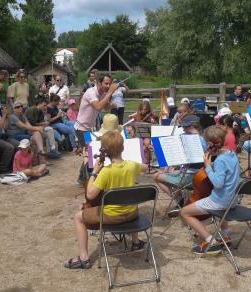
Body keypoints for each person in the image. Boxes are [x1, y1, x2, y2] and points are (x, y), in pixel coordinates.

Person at [64, 131, 148, 269]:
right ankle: (135, 242)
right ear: (123, 148)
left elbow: (90, 195)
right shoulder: (132, 166)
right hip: (132, 214)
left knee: (78, 217)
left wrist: (94, 172)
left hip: (112, 217)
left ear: (105, 151)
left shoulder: (106, 172)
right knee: (130, 199)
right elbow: (145, 168)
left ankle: (83, 258)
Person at [180, 126, 240, 255]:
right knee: (222, 211)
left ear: (212, 144)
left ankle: (210, 241)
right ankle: (225, 235)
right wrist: (212, 166)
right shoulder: (232, 154)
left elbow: (218, 184)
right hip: (233, 200)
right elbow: (227, 173)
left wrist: (207, 166)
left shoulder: (220, 160)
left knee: (185, 212)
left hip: (221, 201)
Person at [154, 115, 206, 203]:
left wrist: (173, 164)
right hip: (195, 175)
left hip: (190, 177)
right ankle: (180, 198)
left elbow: (192, 161)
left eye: (185, 127)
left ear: (193, 126)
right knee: (164, 172)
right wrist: (173, 165)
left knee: (156, 176)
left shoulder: (194, 140)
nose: (183, 129)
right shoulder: (203, 138)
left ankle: (179, 200)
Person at [73, 73, 119, 147]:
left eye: (109, 84)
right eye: (106, 83)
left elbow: (106, 108)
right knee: (88, 151)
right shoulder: (91, 92)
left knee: (91, 151)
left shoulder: (103, 93)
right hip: (82, 128)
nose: (108, 86)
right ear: (99, 83)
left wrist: (112, 105)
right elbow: (98, 106)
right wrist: (110, 92)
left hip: (89, 128)